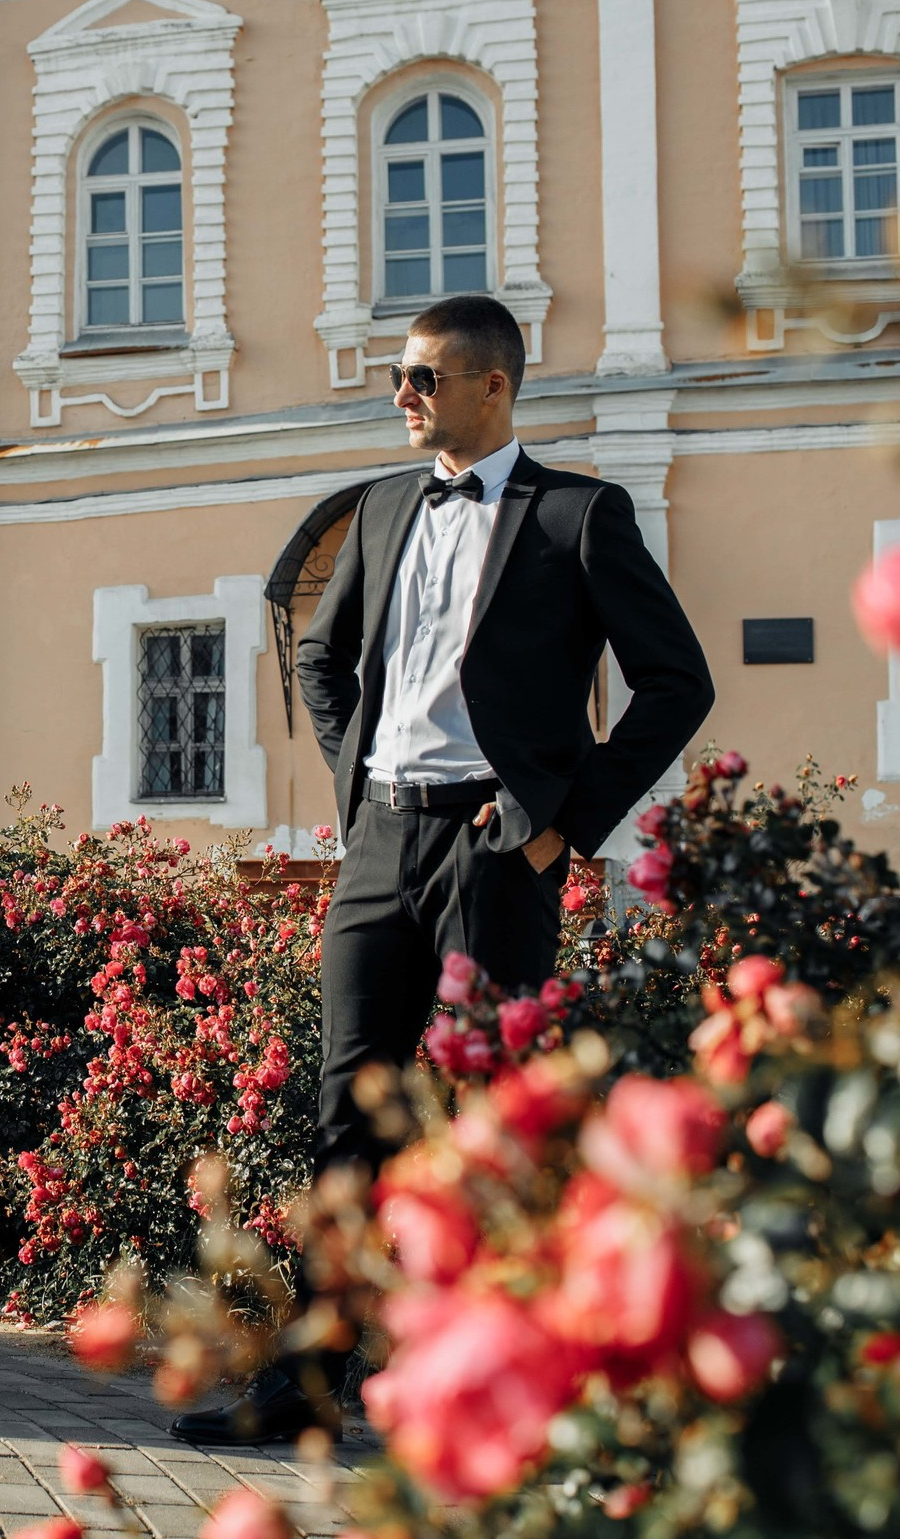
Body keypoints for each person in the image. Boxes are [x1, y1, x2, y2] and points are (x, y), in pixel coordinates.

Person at [171, 293, 713, 1444]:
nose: (404, 394)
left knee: (492, 1121)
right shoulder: (377, 508)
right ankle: (310, 1375)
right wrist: (356, 788)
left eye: (423, 376)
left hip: (496, 844)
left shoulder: (579, 514)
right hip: (381, 842)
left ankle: (498, 1385)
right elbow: (321, 662)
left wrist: (561, 822)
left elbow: (676, 681)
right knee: (344, 1107)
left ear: (493, 386)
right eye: (402, 377)